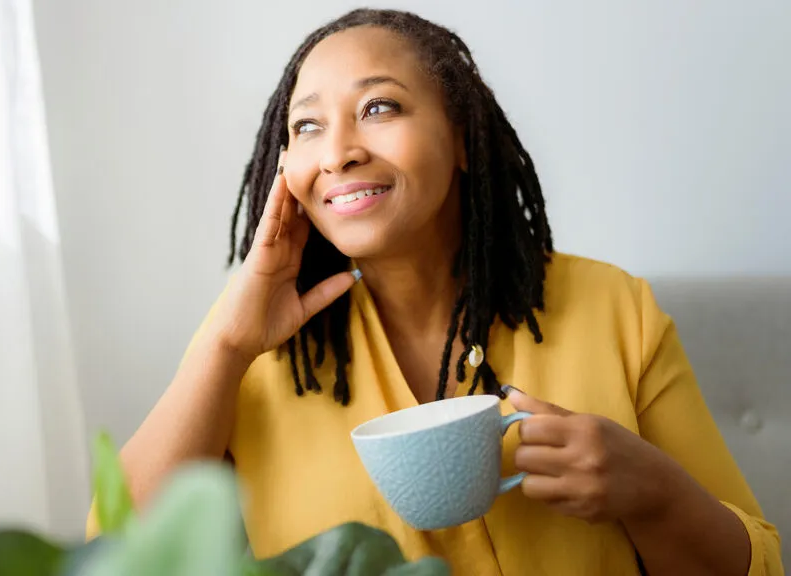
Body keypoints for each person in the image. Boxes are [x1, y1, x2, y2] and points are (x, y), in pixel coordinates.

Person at [91, 8, 782, 575]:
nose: (337, 152)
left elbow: (759, 566)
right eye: (307, 126)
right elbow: (115, 550)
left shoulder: (614, 310)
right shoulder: (253, 351)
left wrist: (652, 494)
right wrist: (225, 344)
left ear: (462, 141)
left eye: (378, 107)